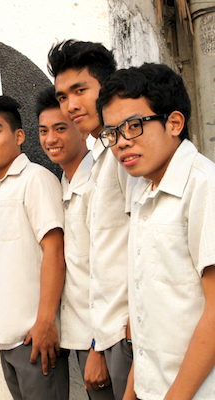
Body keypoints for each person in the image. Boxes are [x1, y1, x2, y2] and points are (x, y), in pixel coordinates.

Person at [97, 63, 215, 400]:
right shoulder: (143, 191)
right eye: (112, 133)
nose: (120, 143)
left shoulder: (203, 186)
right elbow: (151, 313)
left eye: (133, 126)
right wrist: (133, 392)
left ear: (174, 122)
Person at [48, 39, 134, 399]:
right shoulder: (99, 159)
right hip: (108, 334)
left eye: (79, 90)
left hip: (127, 335)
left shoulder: (127, 154)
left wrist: (107, 342)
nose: (70, 105)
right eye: (63, 96)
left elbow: (138, 248)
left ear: (106, 87)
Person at [0, 95, 68, 400]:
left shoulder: (35, 179)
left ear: (19, 136)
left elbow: (55, 251)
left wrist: (45, 322)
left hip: (36, 338)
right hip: (7, 340)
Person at [36, 86, 115, 400]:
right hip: (80, 338)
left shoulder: (98, 183)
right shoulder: (63, 183)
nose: (50, 139)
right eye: (43, 131)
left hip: (103, 342)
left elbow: (108, 270)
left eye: (60, 129)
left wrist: (98, 346)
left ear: (81, 131)